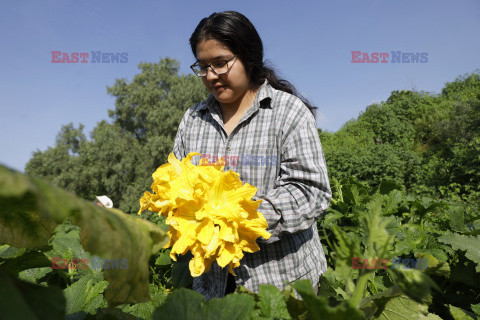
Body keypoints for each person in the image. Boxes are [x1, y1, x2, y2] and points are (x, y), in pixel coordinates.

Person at [172, 10, 331, 300]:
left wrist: (238, 218)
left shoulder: (287, 112)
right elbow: (176, 186)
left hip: (283, 288)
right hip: (214, 290)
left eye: (221, 63)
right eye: (203, 66)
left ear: (247, 56)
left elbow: (311, 192)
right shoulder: (192, 120)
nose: (210, 76)